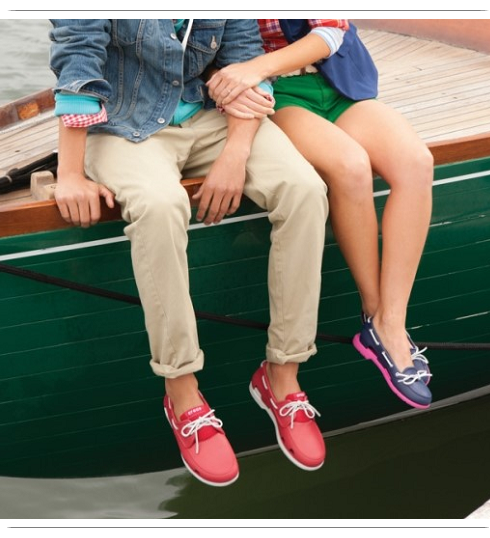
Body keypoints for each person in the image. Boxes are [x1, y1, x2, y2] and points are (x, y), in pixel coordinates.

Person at [48, 19, 329, 487]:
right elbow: (78, 62)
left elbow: (245, 63)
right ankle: (181, 390)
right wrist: (71, 173)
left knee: (304, 190)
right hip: (123, 127)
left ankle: (283, 374)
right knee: (160, 206)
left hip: (214, 119)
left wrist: (235, 155)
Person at [207, 18, 434, 409]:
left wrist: (256, 67)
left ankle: (391, 324)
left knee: (416, 163)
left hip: (339, 81)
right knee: (350, 166)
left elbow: (330, 30)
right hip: (278, 94)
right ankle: (375, 316)